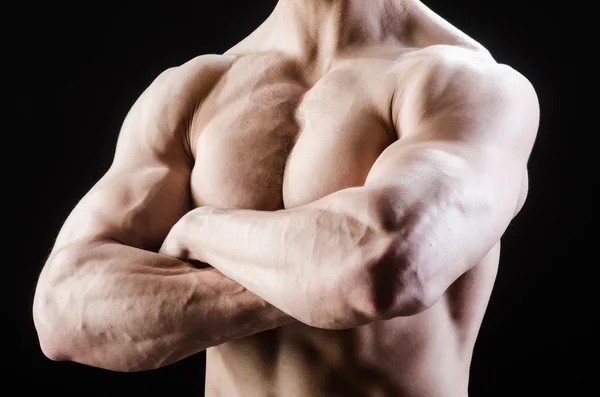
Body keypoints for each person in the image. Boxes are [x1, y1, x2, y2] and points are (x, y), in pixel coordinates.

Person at [33, 0, 539, 395]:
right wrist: (317, 277)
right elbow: (63, 307)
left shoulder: (469, 85)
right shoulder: (195, 91)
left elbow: (385, 264)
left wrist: (200, 228)